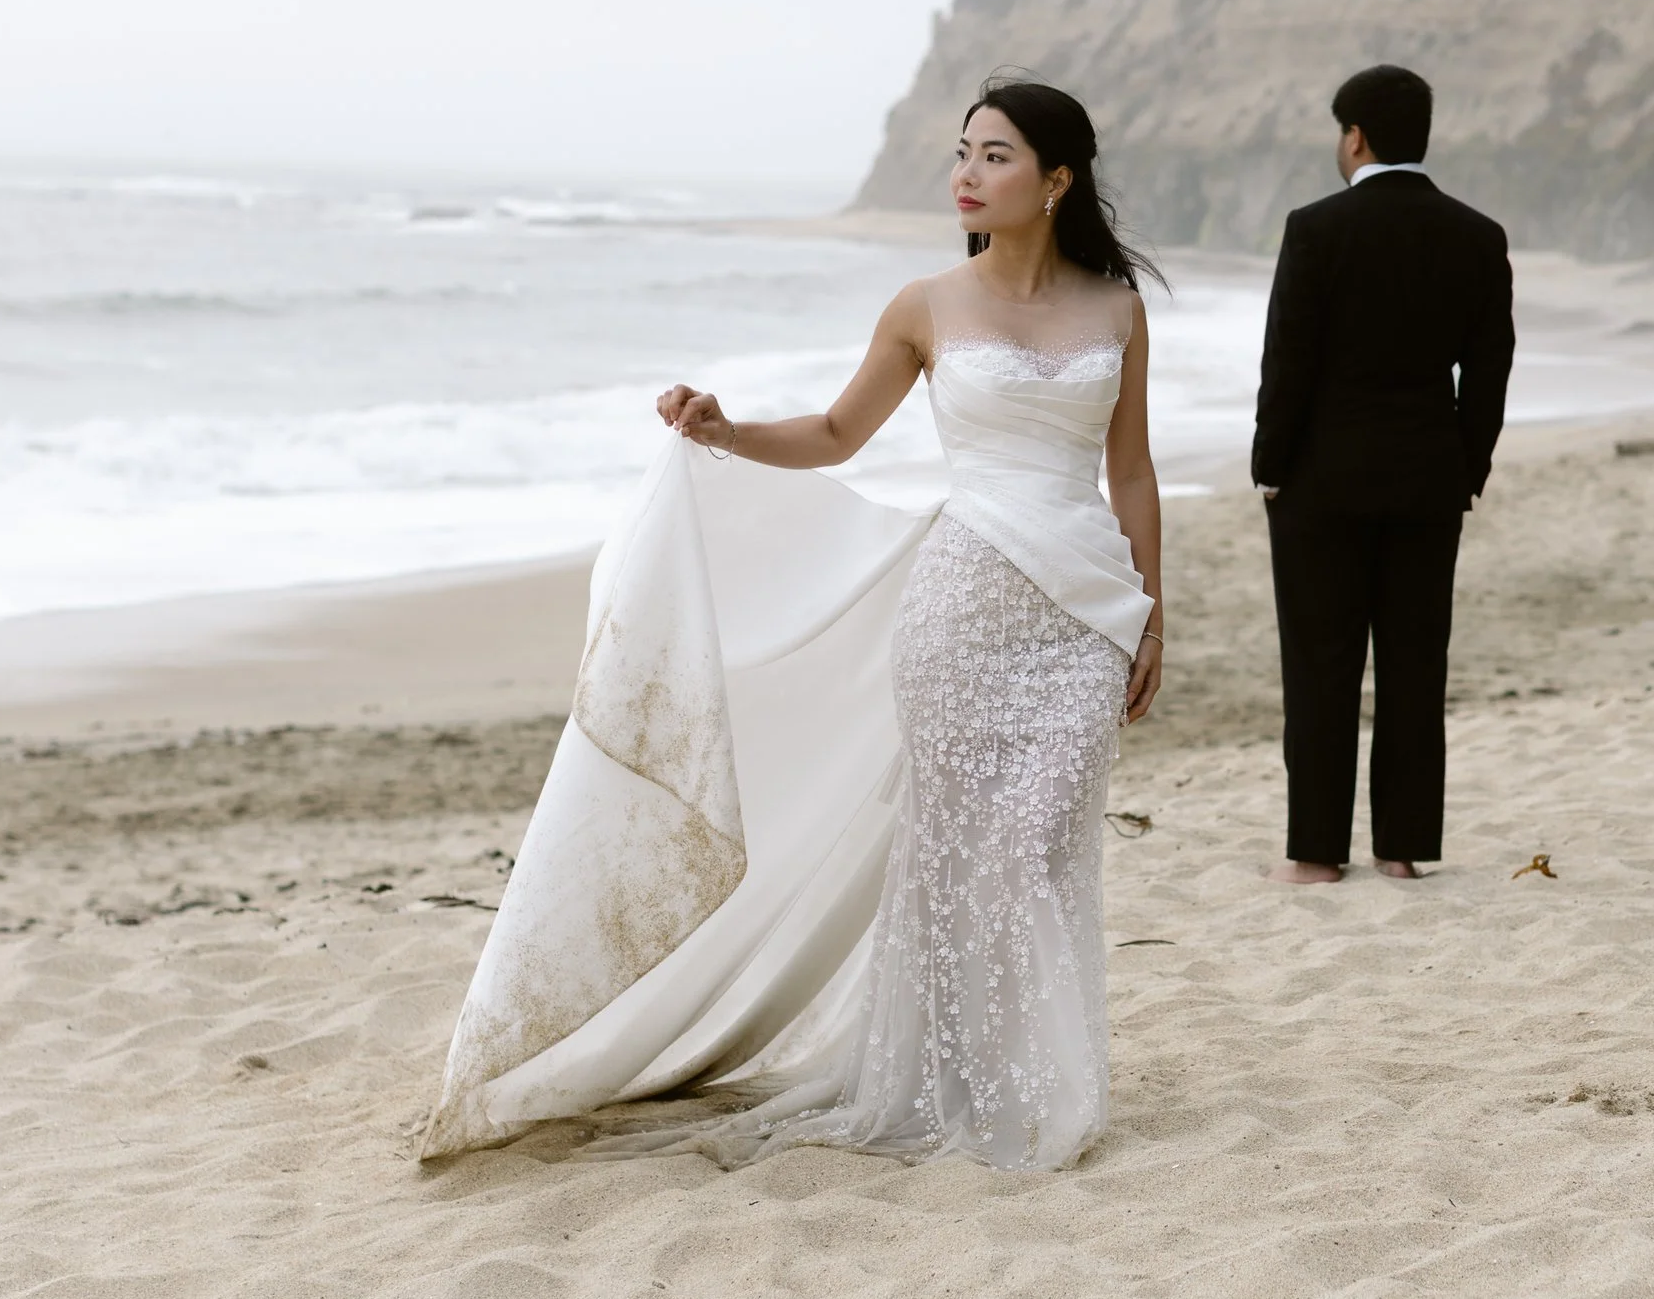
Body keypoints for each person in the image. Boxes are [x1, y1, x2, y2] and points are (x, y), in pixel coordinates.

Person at [417, 77, 1165, 1172]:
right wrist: (722, 430)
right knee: (965, 856)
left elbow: (1131, 469)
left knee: (1043, 845)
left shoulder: (1116, 308)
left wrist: (1151, 613)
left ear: (1056, 180)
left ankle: (1040, 1076)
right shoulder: (925, 305)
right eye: (962, 150)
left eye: (995, 155)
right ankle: (961, 1083)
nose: (965, 171)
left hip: (1085, 607)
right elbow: (832, 431)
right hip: (961, 605)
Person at [1252, 64, 1513, 884]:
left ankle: (1318, 854)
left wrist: (1270, 465)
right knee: (1413, 664)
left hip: (1321, 484)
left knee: (1321, 665)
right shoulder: (1477, 234)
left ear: (1355, 136)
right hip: (1428, 481)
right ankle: (1401, 850)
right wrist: (1465, 469)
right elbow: (1491, 370)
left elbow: (1288, 361)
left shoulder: (1315, 229)